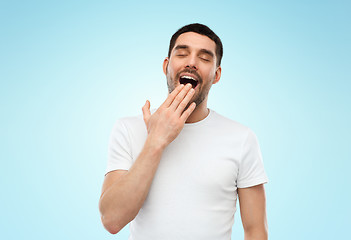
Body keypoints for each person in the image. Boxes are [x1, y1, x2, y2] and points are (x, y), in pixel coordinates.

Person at [99, 23, 269, 240]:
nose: (191, 62)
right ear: (166, 66)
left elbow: (256, 230)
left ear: (216, 75)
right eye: (182, 54)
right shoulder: (128, 129)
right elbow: (112, 220)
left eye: (205, 58)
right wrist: (156, 140)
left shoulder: (242, 138)